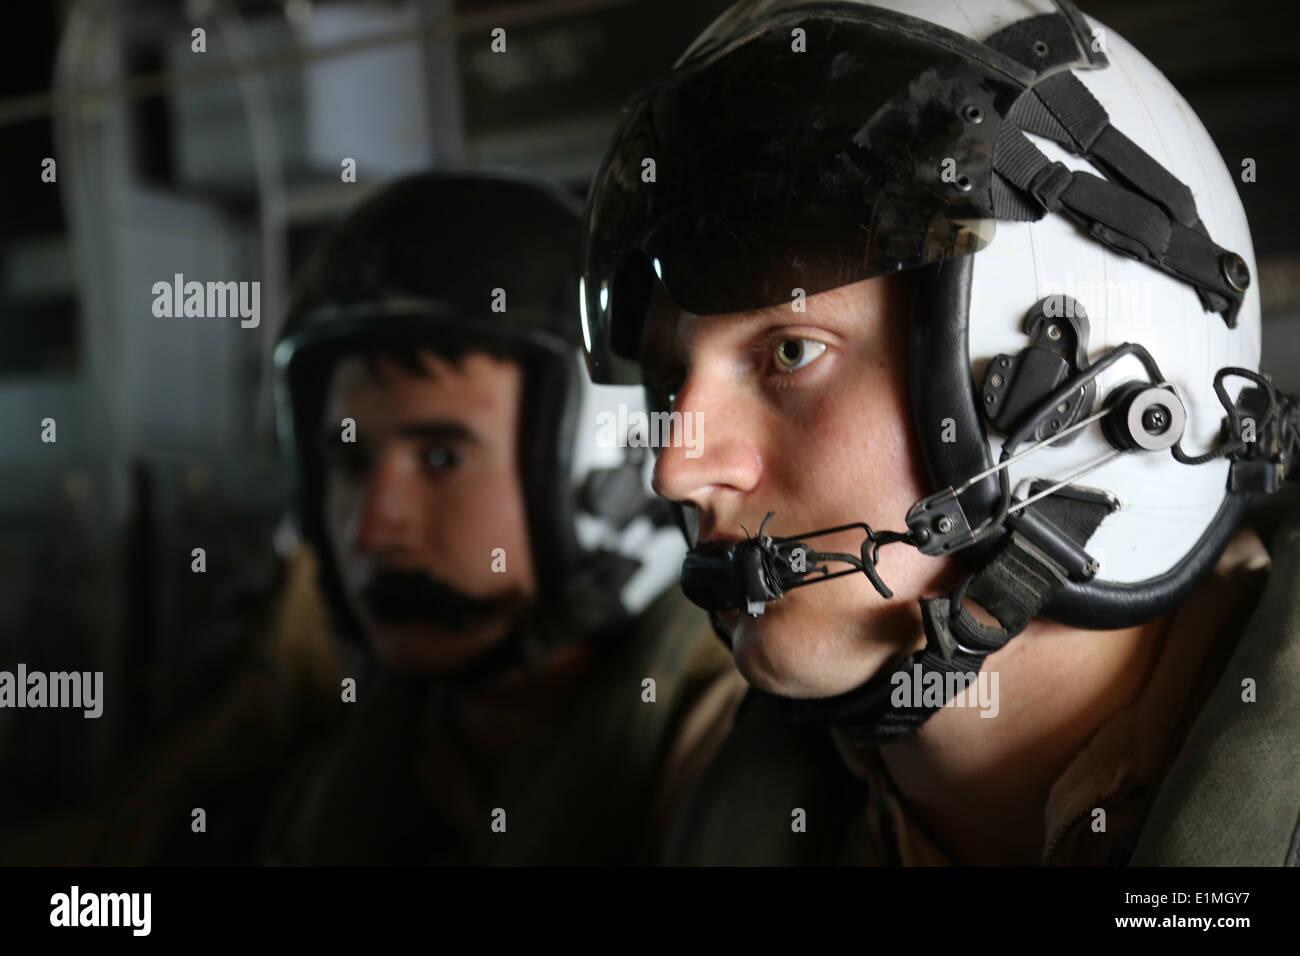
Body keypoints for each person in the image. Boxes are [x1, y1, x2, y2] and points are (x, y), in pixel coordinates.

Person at [579, 0, 1300, 865]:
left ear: (1072, 381)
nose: (677, 468)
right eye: (670, 383)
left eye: (791, 351)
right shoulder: (700, 816)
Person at [262, 169, 745, 865]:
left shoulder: (727, 762)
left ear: (608, 468)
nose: (370, 531)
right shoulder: (350, 763)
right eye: (349, 462)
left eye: (442, 460)